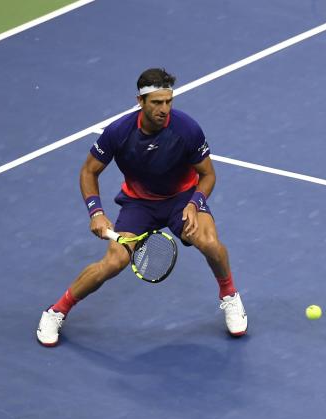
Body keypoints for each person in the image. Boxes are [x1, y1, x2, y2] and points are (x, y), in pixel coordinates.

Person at [36, 68, 247, 346]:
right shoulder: (119, 132)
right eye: (156, 103)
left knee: (209, 242)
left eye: (168, 101)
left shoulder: (186, 129)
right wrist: (96, 212)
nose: (164, 109)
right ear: (140, 102)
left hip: (181, 200)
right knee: (114, 262)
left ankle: (229, 296)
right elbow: (89, 171)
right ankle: (56, 311)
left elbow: (208, 174)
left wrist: (195, 204)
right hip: (139, 205)